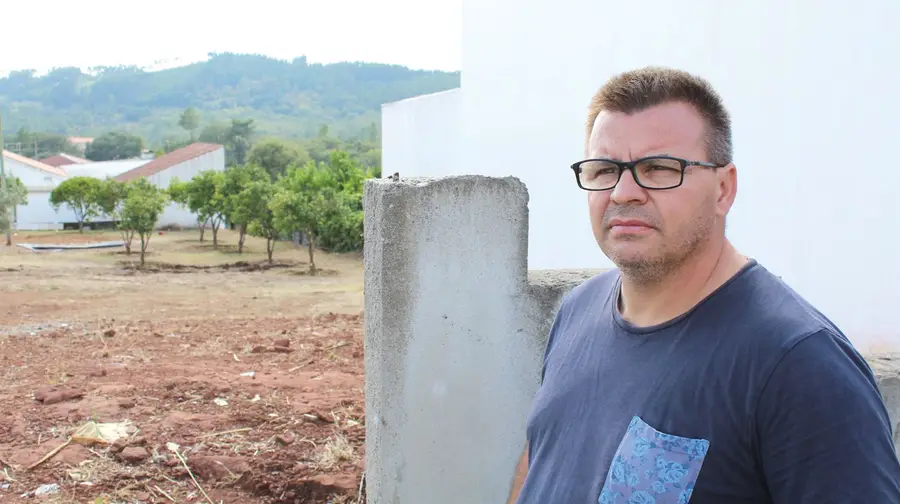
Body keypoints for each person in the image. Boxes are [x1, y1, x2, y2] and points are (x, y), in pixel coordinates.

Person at [506, 67, 900, 504]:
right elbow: (538, 464)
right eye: (603, 169)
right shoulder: (577, 312)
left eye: (658, 169)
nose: (622, 192)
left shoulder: (798, 363)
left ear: (723, 189)